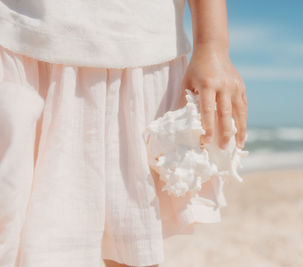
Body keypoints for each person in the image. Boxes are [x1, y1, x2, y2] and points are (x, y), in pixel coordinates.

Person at [0, 0, 248, 266]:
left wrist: (213, 45)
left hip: (137, 44)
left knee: (130, 252)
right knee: (12, 228)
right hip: (18, 34)